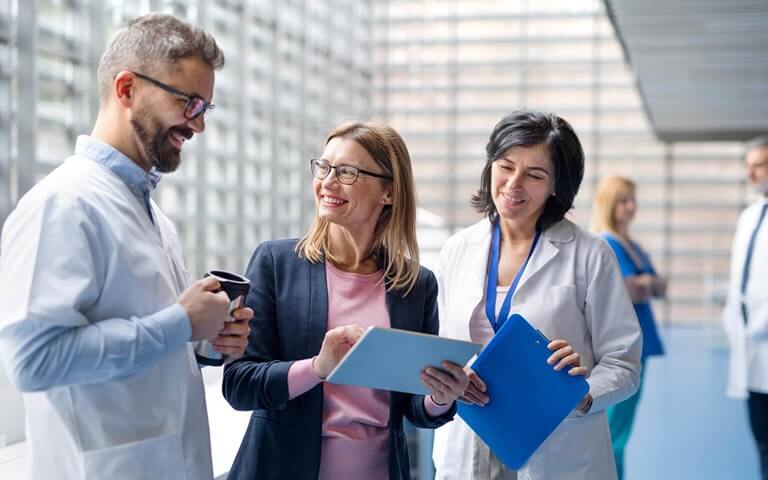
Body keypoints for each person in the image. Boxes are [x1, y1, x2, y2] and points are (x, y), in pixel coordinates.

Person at [0, 14, 251, 480]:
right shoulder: (61, 205)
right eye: (188, 102)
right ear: (126, 89)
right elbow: (33, 363)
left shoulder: (157, 219)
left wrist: (206, 343)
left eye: (205, 109)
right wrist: (179, 323)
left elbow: (148, 347)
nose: (198, 126)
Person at [222, 121, 470, 480]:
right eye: (323, 167)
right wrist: (317, 368)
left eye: (348, 172)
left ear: (389, 193)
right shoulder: (276, 263)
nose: (328, 181)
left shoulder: (416, 285)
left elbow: (413, 406)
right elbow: (239, 384)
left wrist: (441, 396)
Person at [432, 110, 642, 480]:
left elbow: (624, 363)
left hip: (558, 445)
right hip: (469, 440)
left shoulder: (589, 254)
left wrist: (583, 394)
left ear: (557, 186)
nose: (514, 184)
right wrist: (450, 377)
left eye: (534, 175)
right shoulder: (457, 250)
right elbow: (437, 346)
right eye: (505, 166)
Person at [591, 175, 666, 479]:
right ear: (609, 204)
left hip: (641, 345)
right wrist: (645, 284)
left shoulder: (631, 245)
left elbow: (657, 286)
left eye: (633, 200)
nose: (631, 207)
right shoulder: (606, 243)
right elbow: (627, 289)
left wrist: (644, 284)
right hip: (622, 348)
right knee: (613, 433)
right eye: (624, 200)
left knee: (621, 430)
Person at [724, 135, 768, 479]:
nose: (752, 174)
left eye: (760, 165)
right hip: (750, 351)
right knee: (761, 438)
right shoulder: (750, 216)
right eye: (749, 167)